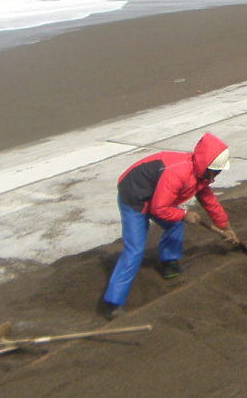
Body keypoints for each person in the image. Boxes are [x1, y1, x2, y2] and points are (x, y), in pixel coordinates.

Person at [100, 132, 238, 320]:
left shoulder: (200, 174)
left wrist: (226, 227)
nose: (214, 176)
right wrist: (184, 214)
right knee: (135, 249)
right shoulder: (178, 173)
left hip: (157, 195)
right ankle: (113, 303)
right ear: (205, 165)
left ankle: (169, 266)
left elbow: (209, 201)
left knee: (175, 224)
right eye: (214, 171)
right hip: (134, 196)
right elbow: (159, 208)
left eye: (218, 172)